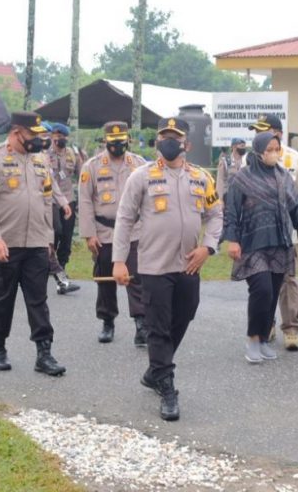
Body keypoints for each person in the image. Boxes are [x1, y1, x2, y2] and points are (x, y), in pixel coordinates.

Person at [112, 117, 222, 421]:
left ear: (186, 144)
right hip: (154, 265)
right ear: (158, 141)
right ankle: (167, 385)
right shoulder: (142, 176)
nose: (169, 142)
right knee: (158, 325)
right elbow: (124, 219)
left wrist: (208, 247)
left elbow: (215, 215)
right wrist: (119, 260)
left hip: (189, 263)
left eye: (175, 137)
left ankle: (155, 369)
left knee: (186, 313)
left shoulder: (201, 177)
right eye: (164, 136)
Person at [0, 111, 66, 377]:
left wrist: (48, 239)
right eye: (32, 135)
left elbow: (47, 200)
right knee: (4, 298)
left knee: (38, 299)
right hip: (6, 242)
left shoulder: (40, 161)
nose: (38, 141)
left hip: (37, 242)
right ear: (16, 132)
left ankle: (44, 353)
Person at [223, 131, 298, 363]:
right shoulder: (242, 178)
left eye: (277, 149)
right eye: (270, 149)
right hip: (253, 244)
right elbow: (232, 211)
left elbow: (296, 209)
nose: (275, 153)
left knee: (273, 294)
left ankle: (263, 339)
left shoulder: (284, 176)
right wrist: (232, 240)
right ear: (258, 151)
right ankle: (253, 340)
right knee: (262, 290)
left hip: (280, 244)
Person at [246, 114, 298, 350]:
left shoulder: (294, 159)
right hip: (257, 233)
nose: (258, 135)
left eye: (262, 131)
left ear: (277, 133)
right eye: (256, 131)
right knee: (261, 282)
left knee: (287, 281)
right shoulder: (249, 159)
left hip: (287, 233)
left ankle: (291, 329)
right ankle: (266, 325)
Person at [79, 121, 148, 345]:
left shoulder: (139, 164)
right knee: (106, 278)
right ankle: (107, 321)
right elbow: (85, 201)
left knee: (136, 277)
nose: (117, 146)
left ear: (127, 140)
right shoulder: (92, 166)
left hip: (134, 231)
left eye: (121, 142)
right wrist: (89, 234)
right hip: (104, 232)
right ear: (105, 142)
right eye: (113, 143)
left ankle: (141, 323)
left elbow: (148, 200)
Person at [47, 123, 84, 293]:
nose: (59, 139)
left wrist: (81, 156)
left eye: (62, 136)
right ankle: (51, 263)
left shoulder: (72, 153)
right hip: (51, 200)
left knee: (67, 237)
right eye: (56, 136)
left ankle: (61, 267)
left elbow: (82, 173)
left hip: (69, 199)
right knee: (56, 231)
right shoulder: (45, 153)